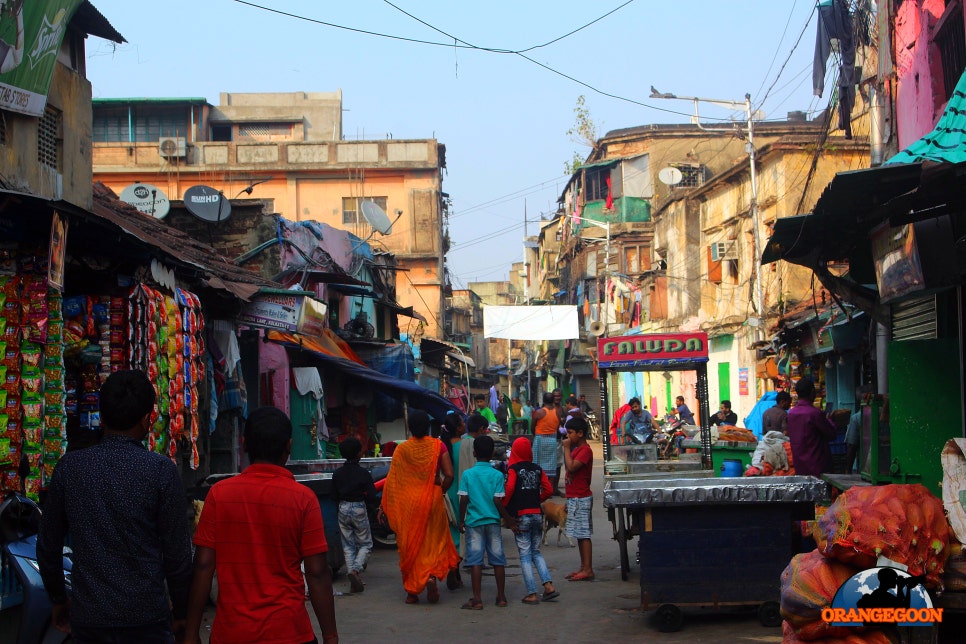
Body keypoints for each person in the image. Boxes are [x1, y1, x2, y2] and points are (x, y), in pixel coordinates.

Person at [37, 369, 192, 642]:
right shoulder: (160, 472)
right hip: (147, 618)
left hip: (90, 617)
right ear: (147, 420)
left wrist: (59, 599)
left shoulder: (70, 468)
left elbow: (48, 546)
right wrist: (181, 612)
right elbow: (177, 556)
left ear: (102, 416)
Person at [185, 407, 338, 644]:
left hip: (232, 633)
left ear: (245, 444)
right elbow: (317, 573)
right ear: (288, 446)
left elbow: (203, 566)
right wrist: (330, 636)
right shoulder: (303, 499)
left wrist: (191, 632)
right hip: (289, 632)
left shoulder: (219, 495)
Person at [380, 409, 460, 605]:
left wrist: (384, 506)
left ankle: (412, 591)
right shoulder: (438, 445)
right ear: (428, 427)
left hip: (408, 504)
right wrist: (440, 491)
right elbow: (449, 474)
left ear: (410, 428)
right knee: (432, 542)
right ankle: (431, 576)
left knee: (409, 545)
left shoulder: (401, 450)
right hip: (432, 500)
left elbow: (392, 481)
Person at [457, 435, 515, 609]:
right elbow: (498, 501)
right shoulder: (497, 475)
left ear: (474, 453)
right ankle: (501, 596)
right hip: (493, 522)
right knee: (498, 559)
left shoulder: (468, 474)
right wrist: (509, 518)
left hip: (474, 522)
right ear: (492, 453)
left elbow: (464, 500)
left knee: (475, 561)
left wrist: (461, 520)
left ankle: (477, 599)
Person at [503, 437, 558, 605]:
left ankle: (532, 593)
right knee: (536, 551)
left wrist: (505, 506)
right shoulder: (537, 469)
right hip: (536, 514)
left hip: (521, 516)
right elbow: (548, 489)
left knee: (525, 555)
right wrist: (537, 498)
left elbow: (510, 488)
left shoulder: (513, 469)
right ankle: (548, 586)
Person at [332, 436, 378, 594]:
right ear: (359, 453)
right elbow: (372, 495)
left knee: (348, 545)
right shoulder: (363, 473)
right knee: (365, 544)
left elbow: (334, 494)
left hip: (342, 508)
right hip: (358, 508)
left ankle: (353, 578)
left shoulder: (337, 474)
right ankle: (356, 570)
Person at [563, 417, 595, 581]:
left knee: (584, 534)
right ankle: (583, 567)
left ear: (580, 433)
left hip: (581, 496)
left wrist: (566, 449)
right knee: (579, 534)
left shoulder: (585, 450)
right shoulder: (576, 450)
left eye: (570, 433)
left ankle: (588, 568)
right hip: (575, 496)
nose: (568, 437)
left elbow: (572, 467)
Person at [786, 378, 838, 477]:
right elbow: (831, 434)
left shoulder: (791, 414)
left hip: (800, 466)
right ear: (812, 392)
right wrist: (831, 420)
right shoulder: (815, 413)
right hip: (818, 466)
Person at [532, 392, 562, 495]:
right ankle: (549, 491)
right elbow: (557, 427)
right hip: (552, 440)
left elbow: (532, 427)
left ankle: (539, 489)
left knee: (538, 465)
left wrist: (536, 436)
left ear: (543, 401)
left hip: (540, 440)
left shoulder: (539, 412)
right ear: (553, 400)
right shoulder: (557, 412)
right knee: (551, 466)